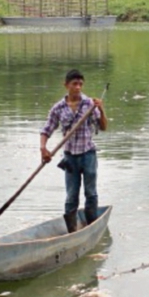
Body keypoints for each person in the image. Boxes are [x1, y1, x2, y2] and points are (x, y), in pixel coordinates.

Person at [40, 69, 108, 232]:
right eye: (74, 84)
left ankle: (92, 226)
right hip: (70, 158)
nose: (78, 87)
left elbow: (104, 127)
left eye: (80, 84)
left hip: (88, 155)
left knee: (91, 193)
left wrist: (101, 109)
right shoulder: (58, 108)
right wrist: (43, 148)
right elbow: (46, 130)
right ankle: (72, 231)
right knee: (71, 196)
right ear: (66, 85)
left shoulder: (90, 104)